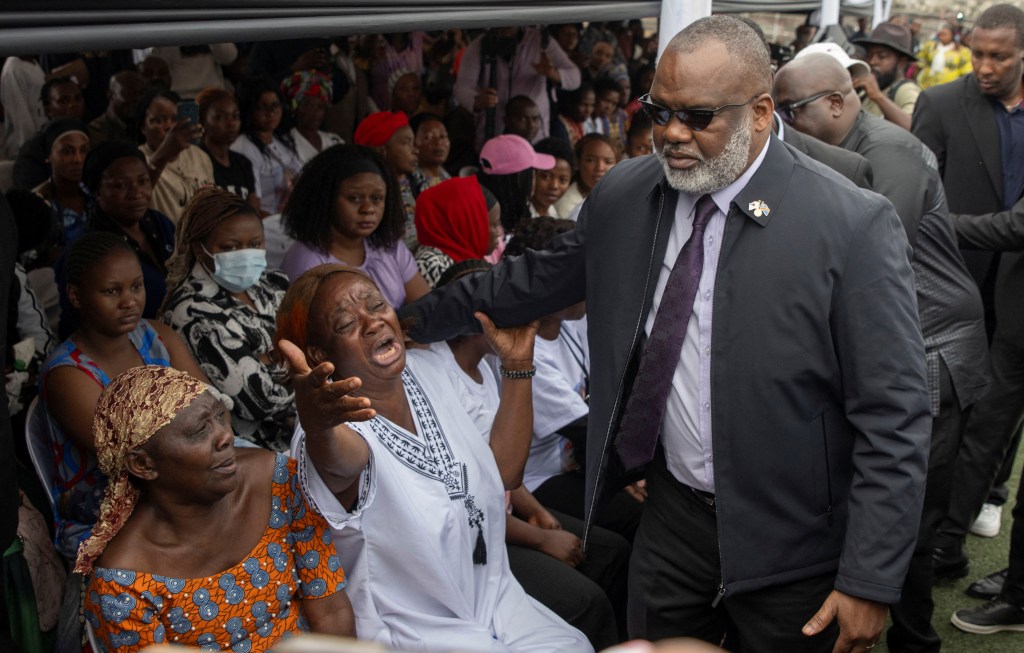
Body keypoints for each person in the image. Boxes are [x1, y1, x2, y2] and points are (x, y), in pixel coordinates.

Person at [400, 16, 929, 651]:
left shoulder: (851, 225)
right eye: (659, 112)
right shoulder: (627, 195)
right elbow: (525, 285)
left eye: (699, 117)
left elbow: (894, 417)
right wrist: (403, 322)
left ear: (761, 113)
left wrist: (869, 579)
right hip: (674, 524)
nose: (673, 134)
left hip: (797, 544)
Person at [775, 52, 991, 652]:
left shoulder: (888, 154)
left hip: (931, 350)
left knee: (909, 517)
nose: (782, 124)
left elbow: (854, 262)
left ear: (840, 103)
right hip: (902, 346)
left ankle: (915, 643)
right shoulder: (846, 149)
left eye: (791, 110)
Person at [276, 265, 592, 652]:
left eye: (376, 305)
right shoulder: (329, 422)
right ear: (321, 353)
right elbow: (342, 465)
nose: (372, 322)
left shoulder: (431, 370)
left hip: (493, 597)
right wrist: (319, 426)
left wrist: (517, 366)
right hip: (413, 631)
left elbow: (503, 474)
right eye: (346, 323)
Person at [77, 365, 355, 651]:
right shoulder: (124, 582)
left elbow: (331, 612)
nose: (225, 436)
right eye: (199, 430)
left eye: (220, 416)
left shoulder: (277, 480)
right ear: (143, 465)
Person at [432, 259, 629, 650]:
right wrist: (538, 537)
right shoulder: (441, 377)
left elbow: (497, 467)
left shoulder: (486, 368)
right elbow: (467, 494)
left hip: (505, 515)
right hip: (482, 537)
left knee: (612, 552)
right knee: (586, 601)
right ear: (477, 315)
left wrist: (535, 509)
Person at [912, 3, 1024, 581]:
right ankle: (939, 539)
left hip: (1018, 301)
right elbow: (916, 199)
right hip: (956, 293)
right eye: (978, 53)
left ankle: (973, 510)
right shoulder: (940, 104)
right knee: (951, 424)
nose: (984, 66)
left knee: (996, 424)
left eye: (998, 56)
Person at [40, 232, 207, 560]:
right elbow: (130, 452)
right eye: (111, 291)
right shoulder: (67, 374)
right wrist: (195, 431)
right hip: (108, 511)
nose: (129, 300)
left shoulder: (159, 336)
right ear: (76, 296)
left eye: (136, 286)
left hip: (185, 478)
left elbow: (211, 408)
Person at [162, 188, 295, 451]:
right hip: (260, 450)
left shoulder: (273, 283)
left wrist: (270, 359)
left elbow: (323, 346)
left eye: (255, 244)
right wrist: (300, 359)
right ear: (201, 251)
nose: (245, 254)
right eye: (230, 247)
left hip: (306, 428)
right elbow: (261, 400)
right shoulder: (191, 313)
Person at [280, 144, 429, 308]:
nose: (367, 209)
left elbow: (426, 307)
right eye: (354, 198)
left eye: (376, 199)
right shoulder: (306, 260)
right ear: (326, 200)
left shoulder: (389, 245)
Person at [66, 142, 177, 325]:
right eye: (121, 186)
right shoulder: (89, 245)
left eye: (143, 181)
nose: (136, 193)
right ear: (98, 191)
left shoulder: (158, 223)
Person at [454, 26, 581, 147]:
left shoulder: (541, 41)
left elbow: (575, 77)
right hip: (493, 131)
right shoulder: (479, 46)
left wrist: (553, 74)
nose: (507, 27)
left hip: (534, 134)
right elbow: (462, 88)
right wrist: (476, 101)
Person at [136, 87, 215, 224]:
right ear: (143, 127)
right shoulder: (136, 159)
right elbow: (138, 192)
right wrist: (164, 153)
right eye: (159, 120)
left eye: (175, 119)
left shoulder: (199, 156)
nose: (169, 127)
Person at [231, 77, 304, 215]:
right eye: (262, 107)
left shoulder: (282, 141)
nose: (270, 113)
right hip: (267, 226)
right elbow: (253, 210)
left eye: (275, 105)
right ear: (249, 110)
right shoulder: (243, 148)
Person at [413, 176, 501, 287]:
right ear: (468, 226)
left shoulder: (468, 255)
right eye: (494, 225)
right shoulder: (431, 265)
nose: (499, 232)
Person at [353, 111, 419, 248]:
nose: (416, 150)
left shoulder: (420, 184)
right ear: (382, 151)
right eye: (407, 143)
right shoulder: (371, 197)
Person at [12, 76, 86, 191]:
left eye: (77, 99)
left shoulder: (91, 137)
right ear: (48, 110)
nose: (73, 105)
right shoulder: (34, 148)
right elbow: (26, 196)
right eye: (64, 101)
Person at [196, 87, 261, 211]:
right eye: (220, 117)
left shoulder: (243, 163)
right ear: (202, 121)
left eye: (235, 116)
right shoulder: (197, 161)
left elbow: (254, 212)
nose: (231, 123)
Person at [477, 134, 556, 236]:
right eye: (531, 174)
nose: (534, 180)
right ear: (518, 179)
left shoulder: (516, 214)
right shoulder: (491, 233)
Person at [850, 23, 922, 131]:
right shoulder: (868, 89)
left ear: (902, 62)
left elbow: (914, 128)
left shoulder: (906, 90)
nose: (872, 61)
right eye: (869, 55)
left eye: (882, 56)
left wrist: (878, 97)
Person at [32, 118, 91, 246]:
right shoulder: (37, 202)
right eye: (67, 151)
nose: (78, 159)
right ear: (49, 156)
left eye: (84, 150)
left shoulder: (97, 194)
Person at [282, 69, 344, 164]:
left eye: (320, 107)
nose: (315, 112)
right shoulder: (286, 143)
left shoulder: (335, 141)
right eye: (308, 105)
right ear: (296, 108)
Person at [554, 134, 617, 219]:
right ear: (578, 163)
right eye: (590, 160)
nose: (600, 168)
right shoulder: (568, 206)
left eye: (608, 162)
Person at [88, 70, 146, 146]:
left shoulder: (143, 125)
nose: (135, 99)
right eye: (128, 94)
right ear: (111, 95)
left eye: (140, 93)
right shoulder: (97, 131)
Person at [917, 24, 973, 89]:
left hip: (950, 87)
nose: (942, 36)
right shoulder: (930, 46)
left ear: (952, 35)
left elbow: (966, 70)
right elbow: (921, 60)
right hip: (927, 84)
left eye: (945, 34)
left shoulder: (962, 51)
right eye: (941, 34)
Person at [531, 137, 575, 218]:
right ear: (532, 175)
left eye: (563, 180)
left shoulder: (552, 213)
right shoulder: (519, 216)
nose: (554, 186)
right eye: (546, 177)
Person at [409, 112, 451, 195]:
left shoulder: (449, 179)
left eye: (442, 136)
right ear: (413, 144)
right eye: (428, 137)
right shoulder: (409, 183)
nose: (438, 142)